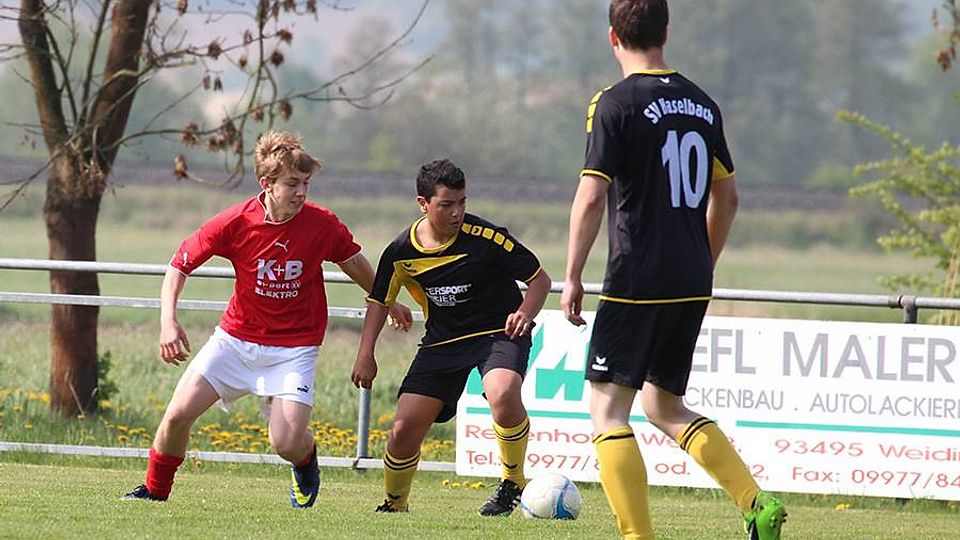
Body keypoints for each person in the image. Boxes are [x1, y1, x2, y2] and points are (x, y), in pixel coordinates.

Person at [559, 1, 787, 539]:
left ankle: (638, 536)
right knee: (663, 404)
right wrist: (702, 262)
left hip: (636, 277)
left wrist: (572, 275)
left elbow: (591, 196)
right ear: (665, 32)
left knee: (607, 409)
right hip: (690, 277)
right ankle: (756, 503)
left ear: (612, 36)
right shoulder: (703, 104)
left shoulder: (613, 103)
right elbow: (727, 198)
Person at [121, 130, 412, 508]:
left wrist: (389, 300)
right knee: (177, 415)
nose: (301, 192)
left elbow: (353, 262)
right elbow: (179, 264)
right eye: (292, 184)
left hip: (295, 348)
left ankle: (305, 462)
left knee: (286, 443)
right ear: (266, 184)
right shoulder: (235, 222)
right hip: (234, 342)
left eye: (306, 183)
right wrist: (168, 322)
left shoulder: (322, 224)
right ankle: (155, 491)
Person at [351, 158, 551, 516]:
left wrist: (524, 313)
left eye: (462, 202)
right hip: (443, 342)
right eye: (446, 204)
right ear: (423, 203)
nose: (457, 212)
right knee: (403, 428)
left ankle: (513, 483)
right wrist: (365, 353)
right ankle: (395, 504)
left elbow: (539, 280)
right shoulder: (400, 252)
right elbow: (379, 301)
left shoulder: (487, 238)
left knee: (503, 391)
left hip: (498, 333)